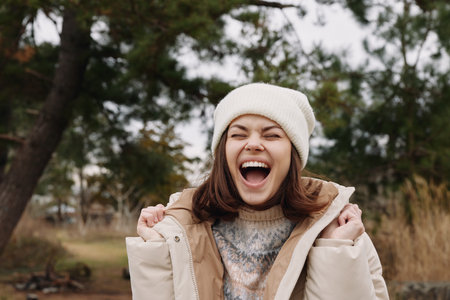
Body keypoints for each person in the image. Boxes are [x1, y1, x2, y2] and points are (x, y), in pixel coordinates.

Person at [126, 83, 389, 300]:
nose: (253, 144)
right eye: (239, 135)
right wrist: (155, 250)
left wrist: (335, 250)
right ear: (222, 152)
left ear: (292, 155)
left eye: (272, 135)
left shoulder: (338, 229)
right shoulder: (180, 229)